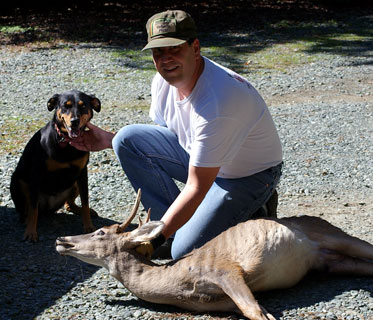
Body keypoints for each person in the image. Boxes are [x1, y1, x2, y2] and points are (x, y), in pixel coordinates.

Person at [70, 10, 283, 260]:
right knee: (126, 140)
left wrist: (153, 239)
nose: (166, 59)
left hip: (246, 177)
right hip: (205, 162)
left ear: (195, 48)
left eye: (174, 48)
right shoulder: (162, 83)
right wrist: (110, 139)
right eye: (158, 51)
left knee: (183, 251)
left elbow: (196, 185)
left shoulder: (217, 102)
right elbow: (169, 135)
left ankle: (256, 208)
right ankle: (176, 227)